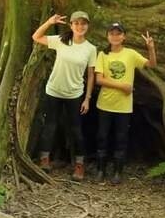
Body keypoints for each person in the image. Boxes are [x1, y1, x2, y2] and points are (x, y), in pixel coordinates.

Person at [31, 10, 97, 181]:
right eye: (76, 23)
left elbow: (91, 75)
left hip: (75, 94)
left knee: (76, 130)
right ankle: (44, 159)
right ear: (71, 25)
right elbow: (36, 37)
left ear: (87, 26)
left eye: (83, 23)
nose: (80, 26)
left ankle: (79, 165)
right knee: (50, 126)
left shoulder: (90, 49)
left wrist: (88, 99)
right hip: (54, 90)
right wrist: (49, 22)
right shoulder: (61, 40)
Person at [94, 22, 157, 183]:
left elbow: (151, 65)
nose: (115, 36)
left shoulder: (130, 54)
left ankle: (117, 172)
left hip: (123, 106)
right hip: (105, 104)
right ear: (108, 36)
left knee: (121, 138)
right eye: (112, 33)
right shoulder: (103, 54)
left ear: (124, 37)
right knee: (102, 136)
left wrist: (150, 48)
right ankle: (100, 170)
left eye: (118, 33)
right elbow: (99, 79)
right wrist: (122, 86)